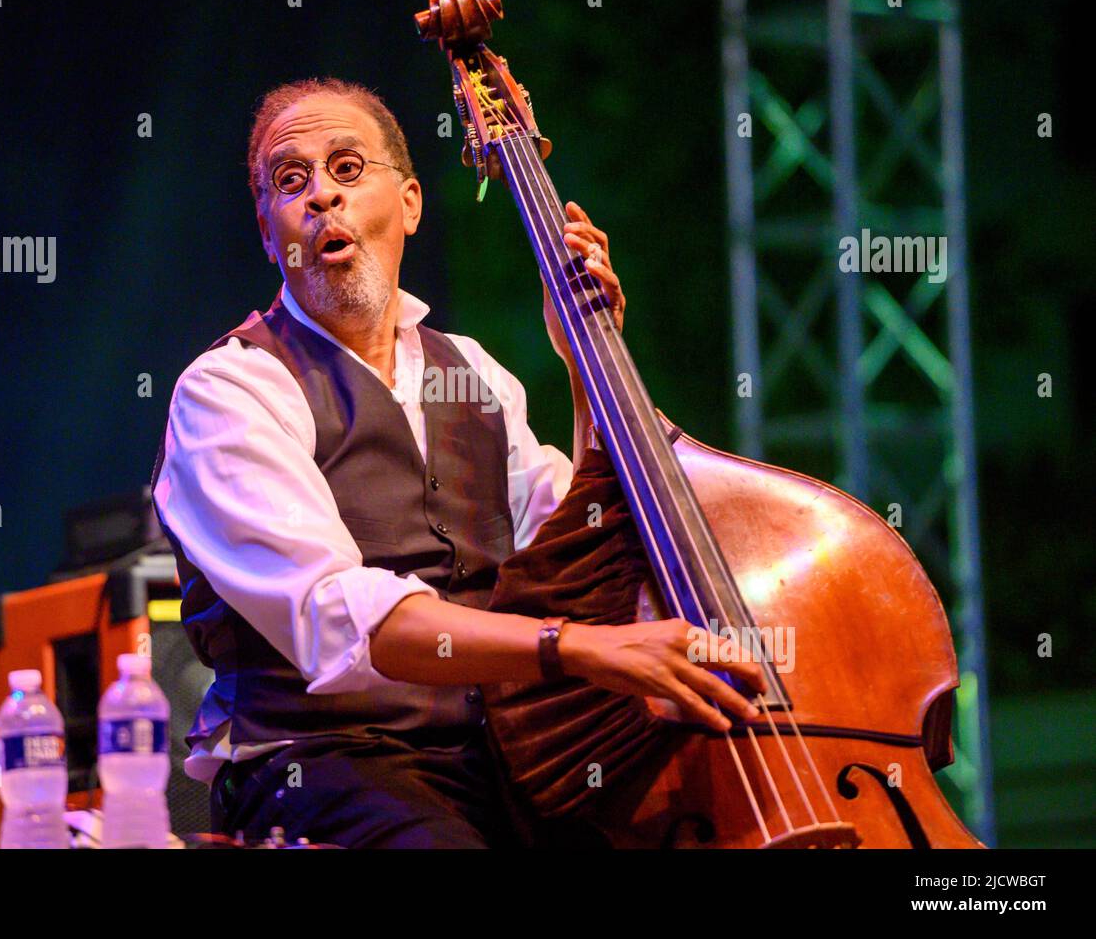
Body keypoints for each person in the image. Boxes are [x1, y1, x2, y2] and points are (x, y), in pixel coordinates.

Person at [150, 77, 765, 848]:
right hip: (320, 764)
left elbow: (578, 546)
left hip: (507, 756)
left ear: (408, 203)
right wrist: (574, 648)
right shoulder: (232, 390)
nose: (321, 199)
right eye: (290, 180)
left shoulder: (472, 373)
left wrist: (586, 363)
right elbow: (339, 616)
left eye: (347, 169)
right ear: (271, 235)